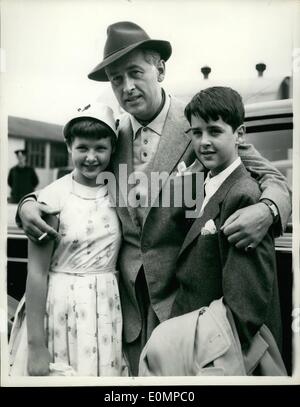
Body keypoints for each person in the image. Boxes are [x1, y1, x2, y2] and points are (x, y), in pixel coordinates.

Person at [16, 22, 291, 375]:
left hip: (188, 305)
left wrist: (267, 210)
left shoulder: (198, 123)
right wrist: (27, 203)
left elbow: (272, 177)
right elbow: (75, 179)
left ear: (160, 69)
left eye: (135, 73)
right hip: (123, 307)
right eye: (116, 79)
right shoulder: (112, 134)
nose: (126, 87)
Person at [138, 87, 286, 376]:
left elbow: (244, 310)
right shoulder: (204, 182)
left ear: (240, 134)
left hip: (217, 356)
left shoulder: (243, 196)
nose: (204, 142)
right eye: (196, 133)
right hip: (197, 339)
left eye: (215, 131)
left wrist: (199, 358)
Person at [9, 105, 128, 376]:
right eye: (82, 148)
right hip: (60, 309)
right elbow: (37, 272)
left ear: (112, 148)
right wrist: (36, 344)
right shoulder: (52, 199)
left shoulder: (118, 192)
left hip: (106, 309)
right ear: (68, 146)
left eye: (100, 148)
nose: (91, 157)